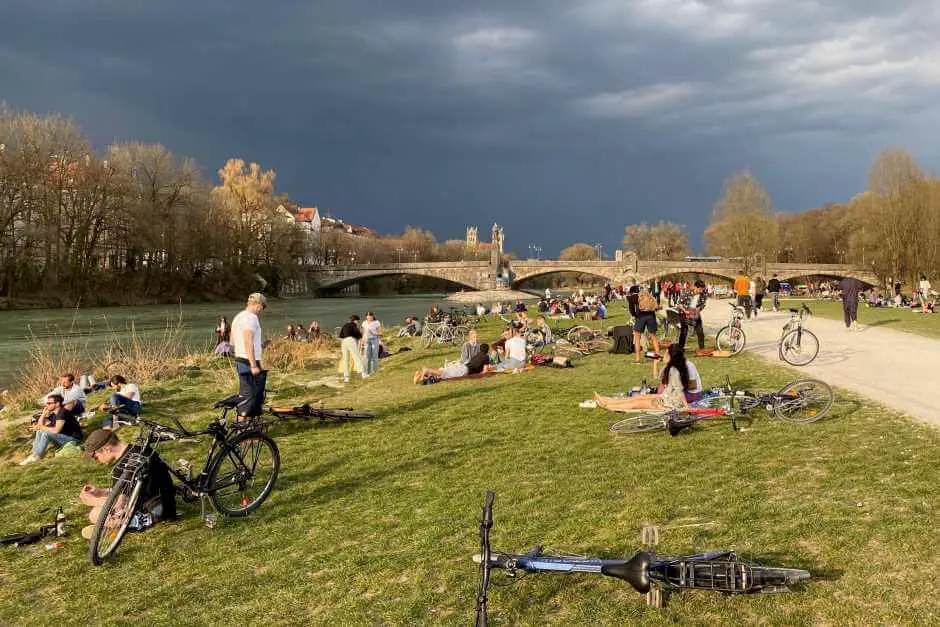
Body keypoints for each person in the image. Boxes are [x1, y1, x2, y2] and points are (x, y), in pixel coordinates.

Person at [79, 429, 177, 540]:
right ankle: (107, 526)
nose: (97, 461)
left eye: (95, 457)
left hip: (154, 510)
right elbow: (125, 489)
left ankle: (117, 527)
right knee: (100, 504)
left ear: (106, 449)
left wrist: (94, 500)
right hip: (147, 500)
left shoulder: (134, 463)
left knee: (95, 513)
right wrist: (101, 492)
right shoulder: (133, 452)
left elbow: (121, 503)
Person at [594, 343, 692, 411]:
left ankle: (608, 405)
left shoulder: (674, 370)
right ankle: (607, 400)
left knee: (635, 404)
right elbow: (656, 377)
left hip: (670, 403)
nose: (664, 355)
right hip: (665, 397)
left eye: (667, 353)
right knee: (638, 398)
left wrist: (686, 406)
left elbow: (679, 391)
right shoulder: (672, 367)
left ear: (672, 356)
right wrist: (656, 363)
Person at [19, 393, 84, 465]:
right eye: (47, 403)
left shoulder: (62, 413)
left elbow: (56, 430)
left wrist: (42, 427)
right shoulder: (54, 414)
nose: (47, 405)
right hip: (63, 437)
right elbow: (40, 426)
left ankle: (37, 456)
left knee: (46, 434)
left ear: (57, 404)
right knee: (40, 431)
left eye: (49, 403)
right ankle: (34, 454)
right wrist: (43, 414)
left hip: (74, 439)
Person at [231, 293, 268, 419]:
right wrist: (253, 365)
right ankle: (243, 433)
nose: (262, 311)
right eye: (263, 307)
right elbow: (248, 340)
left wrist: (261, 346)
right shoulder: (251, 318)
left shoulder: (238, 317)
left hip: (241, 359)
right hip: (249, 362)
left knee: (247, 396)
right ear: (258, 305)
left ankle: (246, 431)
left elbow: (232, 342)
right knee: (250, 399)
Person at [414, 343, 491, 383]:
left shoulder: (477, 355)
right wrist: (481, 375)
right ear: (487, 350)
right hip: (465, 370)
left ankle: (420, 374)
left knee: (444, 371)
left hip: (463, 366)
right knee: (445, 373)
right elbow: (485, 371)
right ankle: (427, 370)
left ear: (480, 349)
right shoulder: (486, 357)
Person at [628, 285, 661, 364]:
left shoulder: (632, 297)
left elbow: (632, 310)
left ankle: (638, 358)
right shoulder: (647, 294)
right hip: (651, 316)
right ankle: (657, 356)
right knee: (653, 336)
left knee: (637, 337)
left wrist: (635, 316)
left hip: (640, 317)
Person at [678, 280, 707, 350]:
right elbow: (679, 304)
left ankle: (702, 349)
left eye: (702, 290)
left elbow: (703, 305)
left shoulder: (703, 295)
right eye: (699, 289)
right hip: (685, 313)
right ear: (695, 287)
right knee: (684, 332)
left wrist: (699, 309)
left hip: (695, 313)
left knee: (700, 331)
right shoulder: (687, 293)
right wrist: (685, 311)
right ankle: (680, 348)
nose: (701, 291)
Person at [338, 314, 364, 383]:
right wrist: (360, 336)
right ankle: (363, 374)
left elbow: (340, 336)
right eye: (358, 321)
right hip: (351, 340)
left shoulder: (345, 325)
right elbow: (357, 333)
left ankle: (346, 377)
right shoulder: (353, 325)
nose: (358, 323)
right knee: (356, 357)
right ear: (355, 321)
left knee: (345, 359)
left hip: (344, 342)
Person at [361, 311, 382, 377]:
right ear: (366, 317)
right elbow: (364, 332)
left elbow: (380, 333)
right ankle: (367, 372)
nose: (369, 317)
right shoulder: (364, 323)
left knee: (374, 355)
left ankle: (375, 371)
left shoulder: (376, 322)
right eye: (368, 316)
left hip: (374, 339)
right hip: (367, 340)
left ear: (373, 316)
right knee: (367, 356)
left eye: (370, 316)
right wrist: (362, 340)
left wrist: (373, 333)